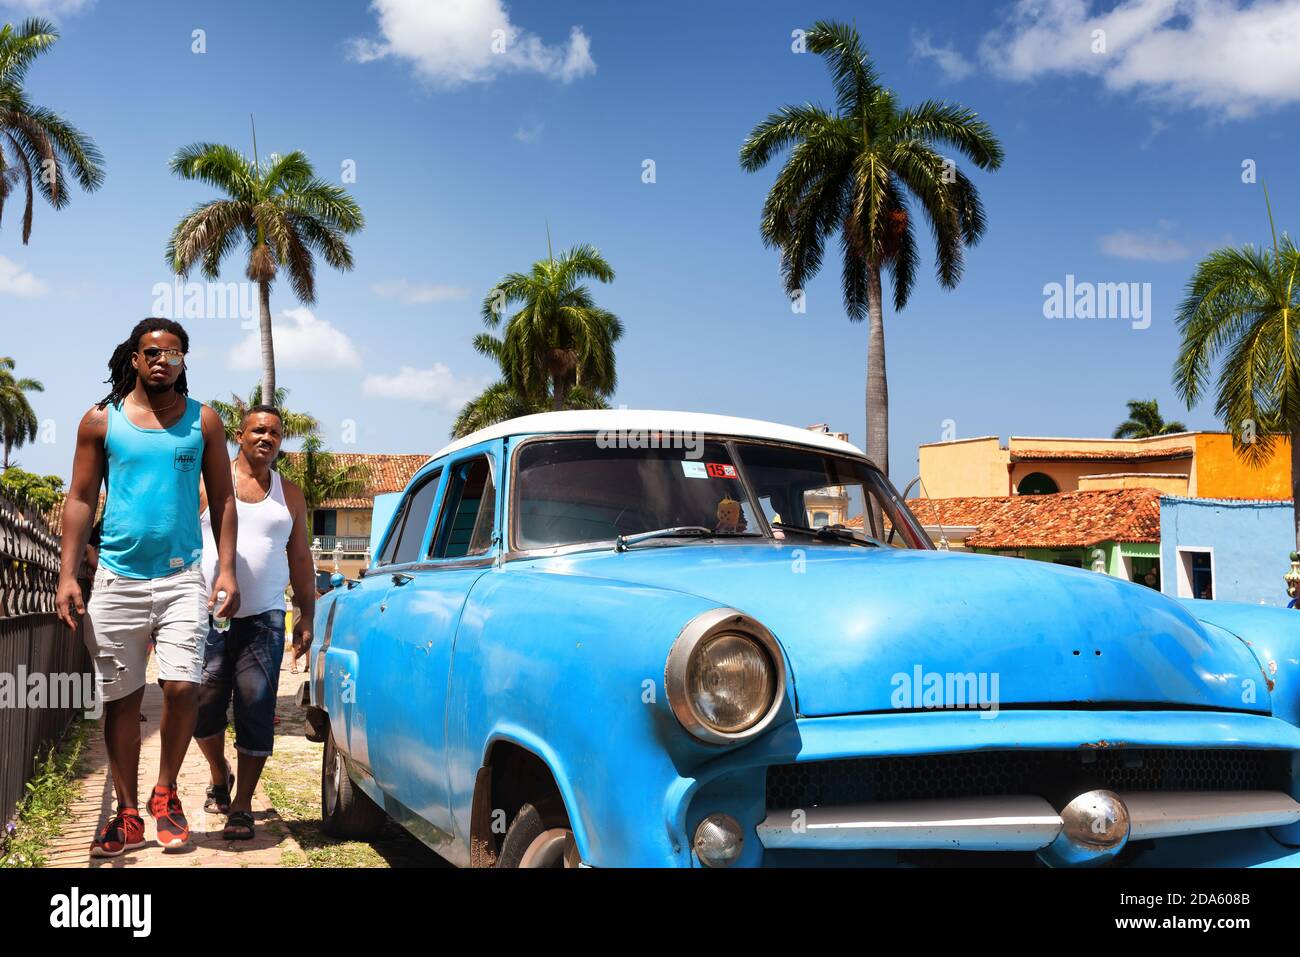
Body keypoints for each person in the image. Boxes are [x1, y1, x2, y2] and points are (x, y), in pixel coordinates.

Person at [56, 318, 240, 857]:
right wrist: (69, 574)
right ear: (134, 358)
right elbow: (81, 497)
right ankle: (128, 813)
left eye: (174, 353)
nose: (162, 360)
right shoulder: (100, 421)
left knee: (183, 687)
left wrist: (225, 568)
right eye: (152, 352)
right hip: (115, 580)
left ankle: (166, 795)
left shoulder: (203, 422)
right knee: (121, 701)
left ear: (184, 360)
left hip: (183, 577)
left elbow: (225, 498)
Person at [194, 406, 314, 841]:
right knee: (202, 707)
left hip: (265, 618)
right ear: (239, 436)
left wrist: (306, 613)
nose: (267, 438)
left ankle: (242, 804)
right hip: (207, 616)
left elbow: (299, 557)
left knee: (257, 703)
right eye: (258, 431)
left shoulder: (291, 495)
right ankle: (217, 771)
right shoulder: (207, 485)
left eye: (276, 433)